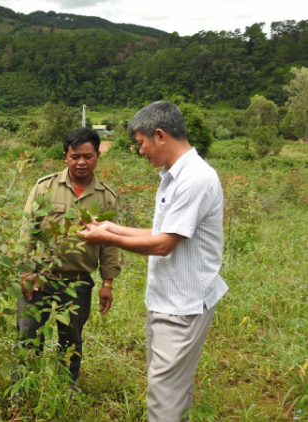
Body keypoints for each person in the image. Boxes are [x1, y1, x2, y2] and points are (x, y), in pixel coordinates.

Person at [79, 101, 228, 422]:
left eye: (141, 143)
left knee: (164, 399)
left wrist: (107, 238)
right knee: (171, 391)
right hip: (170, 300)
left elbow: (162, 245)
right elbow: (164, 231)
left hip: (181, 306)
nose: (141, 151)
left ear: (160, 135)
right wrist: (111, 226)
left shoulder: (194, 179)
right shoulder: (175, 176)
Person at [16, 127, 120, 388]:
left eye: (88, 156)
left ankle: (66, 389)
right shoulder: (45, 187)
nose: (81, 162)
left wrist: (107, 284)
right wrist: (25, 272)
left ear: (97, 156)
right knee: (29, 334)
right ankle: (24, 389)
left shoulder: (106, 197)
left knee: (71, 337)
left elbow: (109, 244)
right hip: (39, 278)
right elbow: (27, 231)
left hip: (78, 282)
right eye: (75, 156)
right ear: (65, 156)